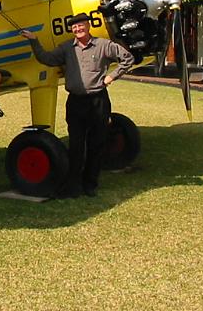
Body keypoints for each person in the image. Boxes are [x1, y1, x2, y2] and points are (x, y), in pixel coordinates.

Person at [21, 12, 134, 197]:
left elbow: (128, 59)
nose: (78, 29)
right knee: (76, 146)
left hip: (98, 100)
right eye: (74, 27)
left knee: (96, 144)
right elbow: (46, 59)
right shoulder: (67, 48)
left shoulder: (103, 45)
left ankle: (90, 184)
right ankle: (73, 186)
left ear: (88, 26)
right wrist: (34, 40)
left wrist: (112, 76)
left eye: (81, 25)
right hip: (75, 102)